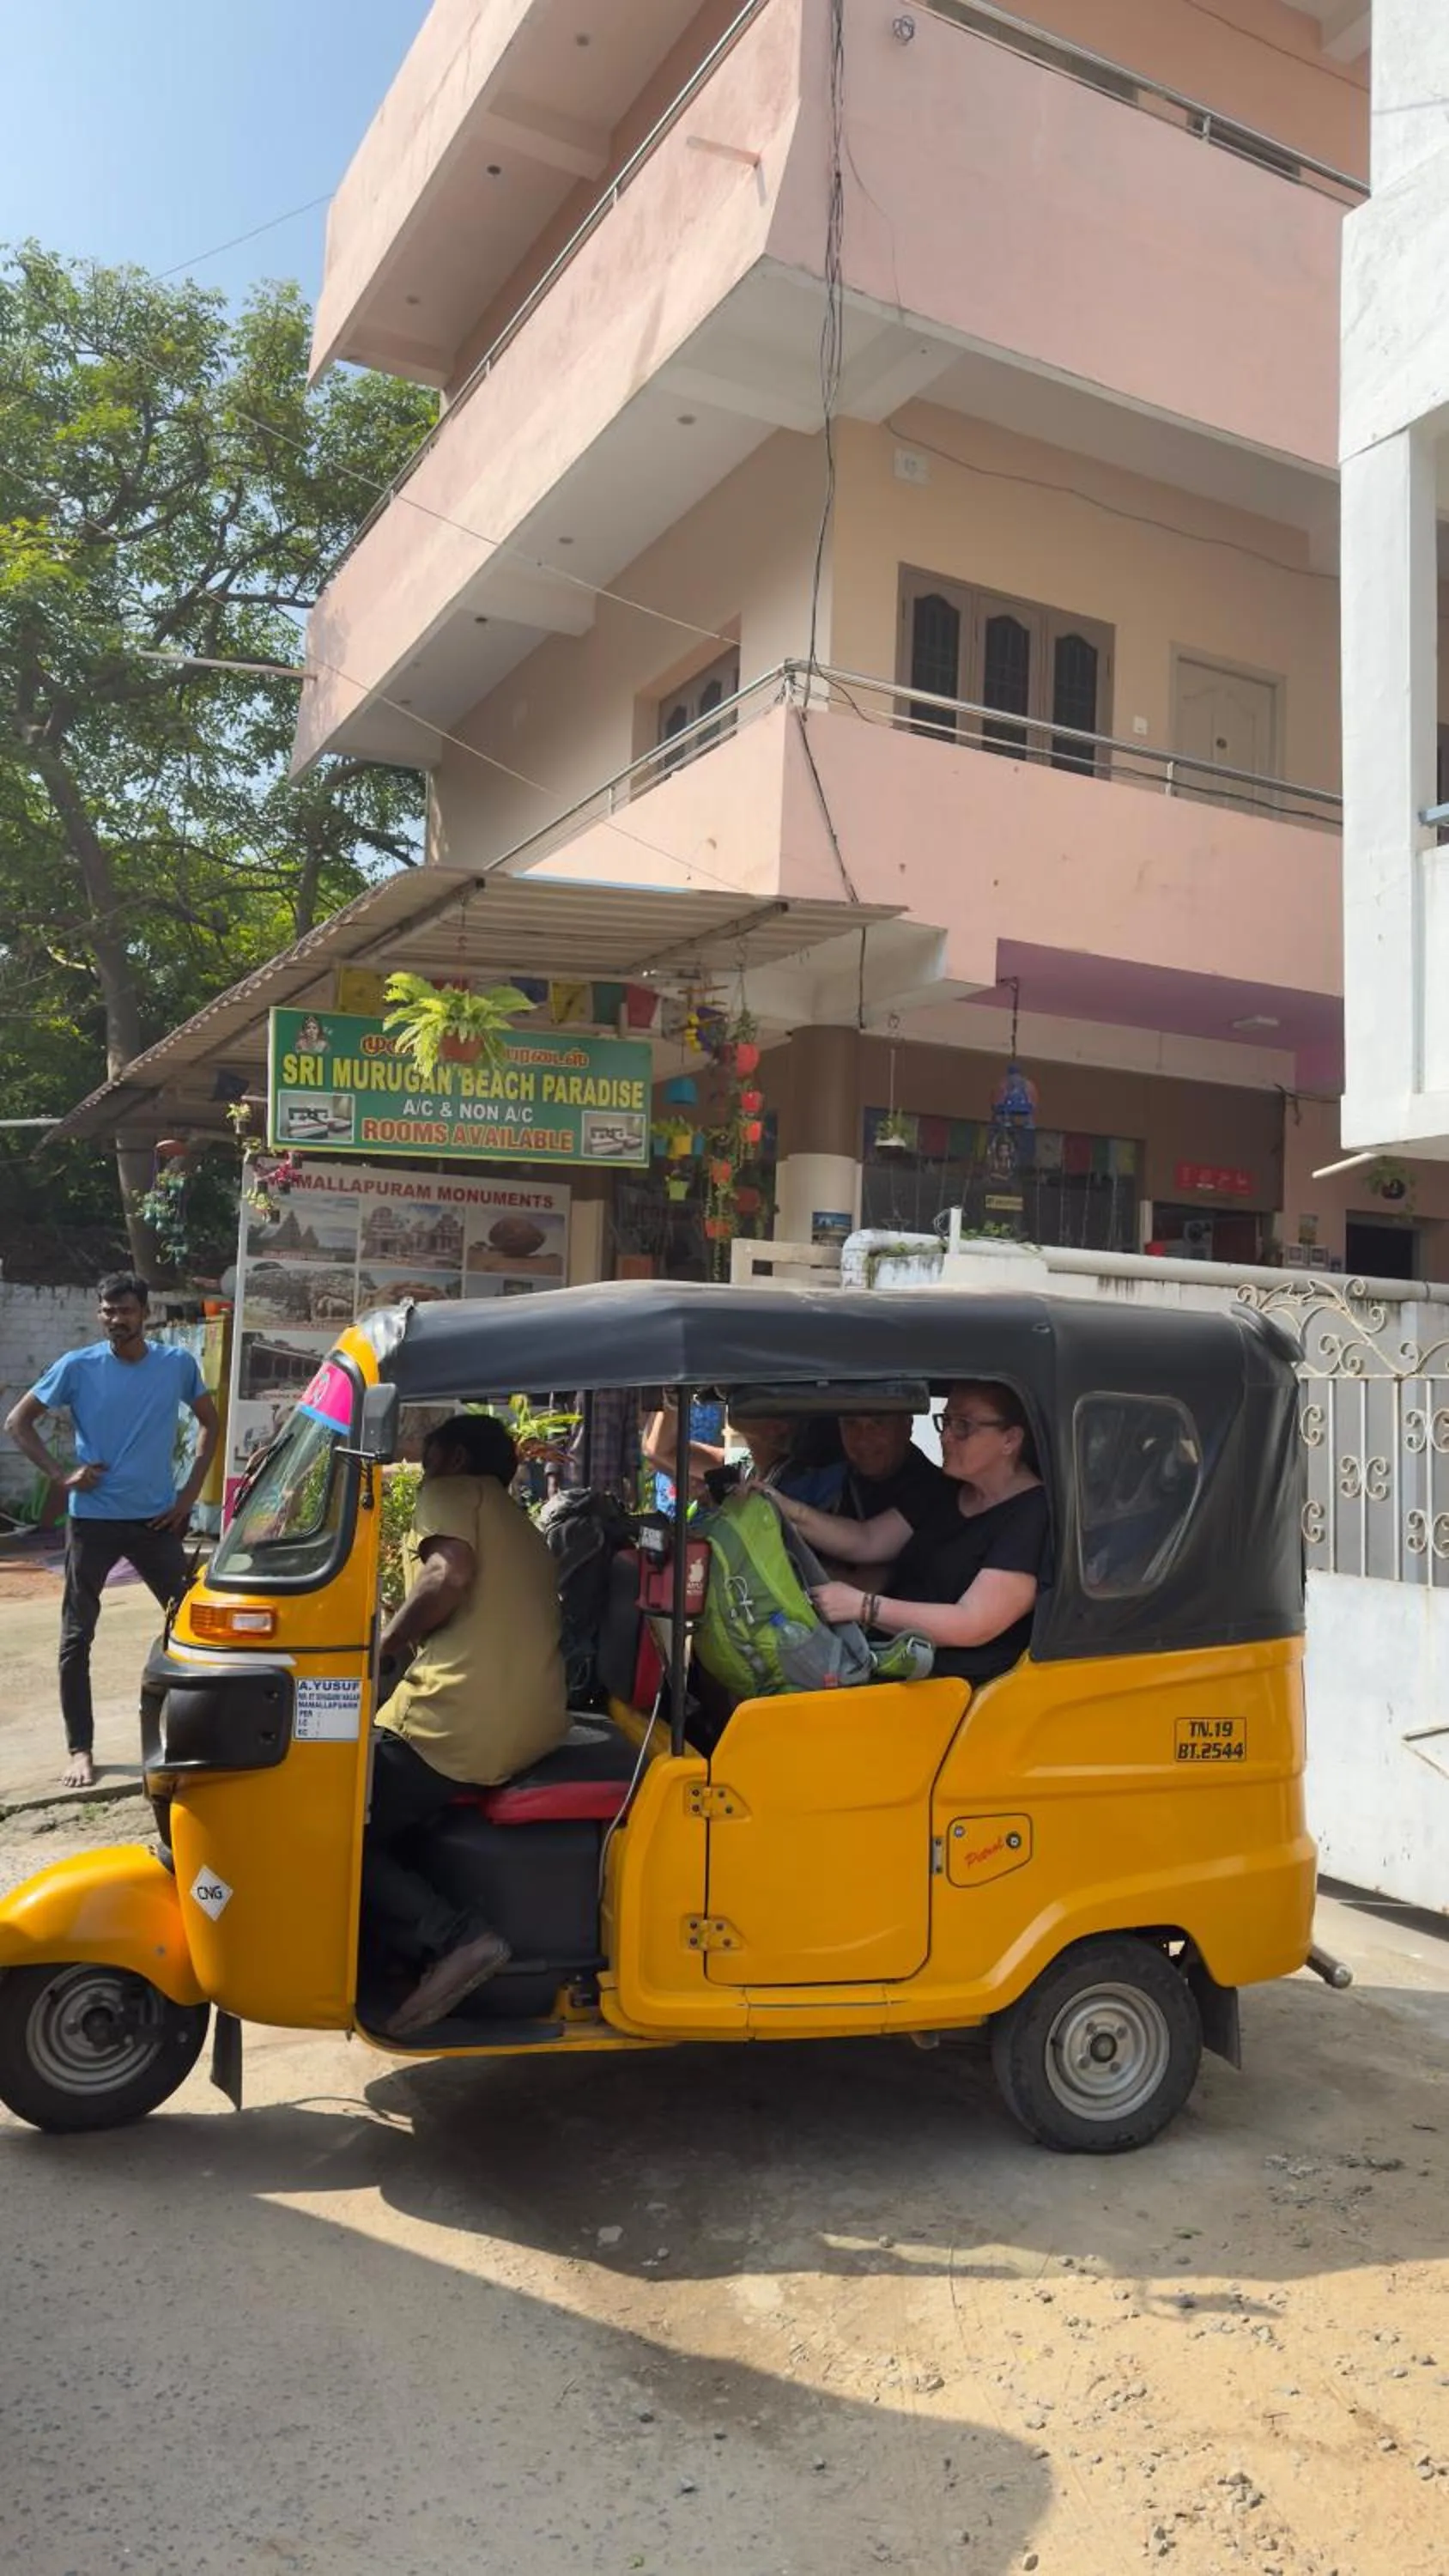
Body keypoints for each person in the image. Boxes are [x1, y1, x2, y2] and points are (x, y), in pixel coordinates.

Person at [364, 1411, 568, 2038]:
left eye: (426, 1457)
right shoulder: (516, 1518)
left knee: (326, 1816)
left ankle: (455, 1939)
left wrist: (384, 1651)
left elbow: (447, 1575)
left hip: (458, 1719)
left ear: (453, 1460)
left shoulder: (451, 1491)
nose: (420, 1470)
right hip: (533, 1720)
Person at [4, 1271, 220, 1789]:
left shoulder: (176, 1364)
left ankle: (206, 1735)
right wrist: (61, 1476)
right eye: (107, 1311)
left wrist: (188, 1496)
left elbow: (210, 1423)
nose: (115, 1319)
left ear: (144, 1313)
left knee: (194, 1624)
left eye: (124, 1310)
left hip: (155, 1521)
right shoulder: (77, 1366)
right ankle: (80, 1749)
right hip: (93, 1522)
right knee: (76, 1638)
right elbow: (18, 1422)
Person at [774, 1381, 1049, 1685]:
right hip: (897, 1659)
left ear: (1010, 1439)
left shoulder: (1032, 1514)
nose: (945, 1436)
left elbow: (971, 1623)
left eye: (962, 1426)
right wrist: (785, 1508)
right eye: (945, 1422)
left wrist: (863, 1606)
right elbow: (867, 1540)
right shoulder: (946, 1488)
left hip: (956, 1685)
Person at [836, 1411, 949, 1525]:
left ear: (907, 1426)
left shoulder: (940, 1495)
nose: (863, 1440)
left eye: (878, 1422)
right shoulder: (833, 1485)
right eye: (851, 1423)